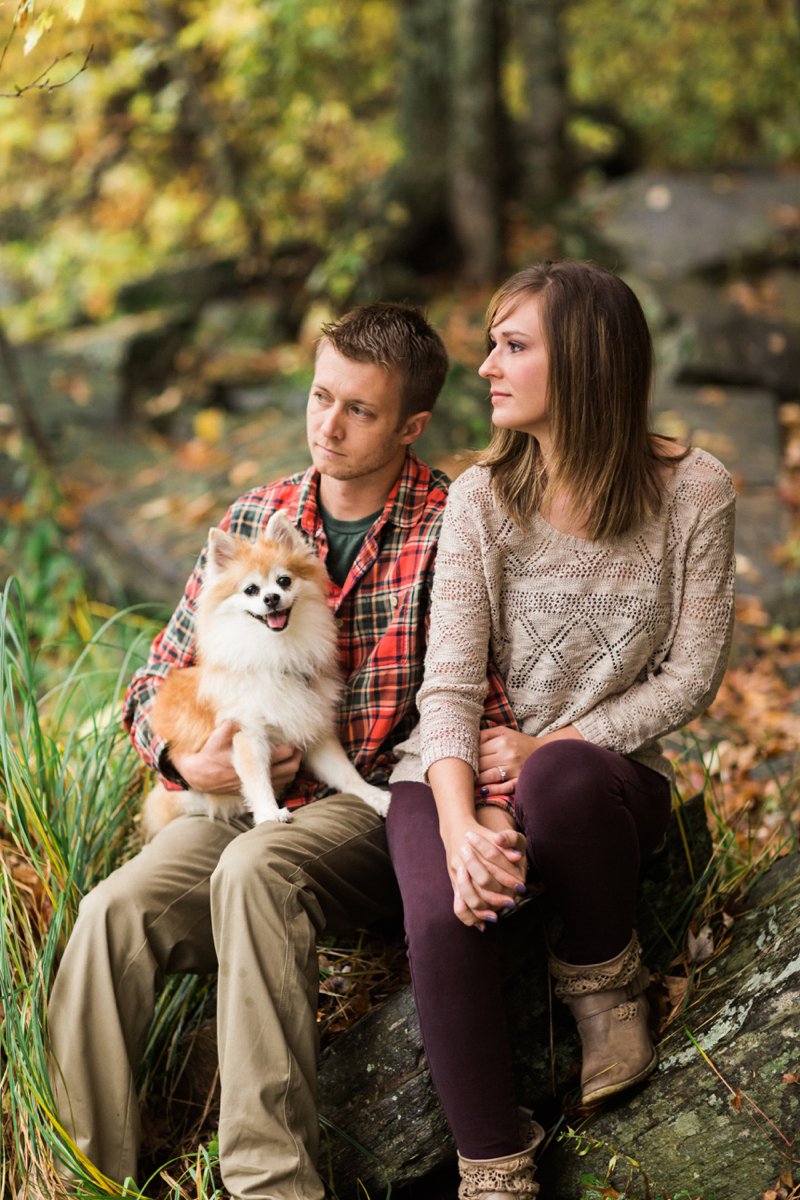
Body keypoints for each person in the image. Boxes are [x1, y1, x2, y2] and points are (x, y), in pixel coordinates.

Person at [46, 301, 515, 1200]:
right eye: (318, 397)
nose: (327, 427)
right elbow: (149, 685)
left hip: (377, 808)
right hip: (235, 794)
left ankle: (270, 1187)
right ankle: (80, 1183)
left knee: (257, 870)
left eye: (360, 411)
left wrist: (483, 811)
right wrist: (190, 765)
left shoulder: (454, 525)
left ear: (411, 426)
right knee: (114, 917)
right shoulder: (257, 515)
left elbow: (486, 695)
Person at [387, 261, 736, 1199]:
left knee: (563, 779)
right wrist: (462, 828)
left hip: (602, 781)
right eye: (492, 344)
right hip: (459, 767)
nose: (487, 366)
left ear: (580, 359)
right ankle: (495, 1170)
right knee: (444, 909)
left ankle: (603, 988)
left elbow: (692, 676)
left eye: (513, 345)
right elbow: (449, 689)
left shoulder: (696, 490)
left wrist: (551, 744)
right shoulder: (481, 500)